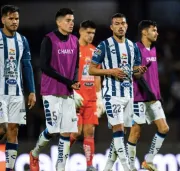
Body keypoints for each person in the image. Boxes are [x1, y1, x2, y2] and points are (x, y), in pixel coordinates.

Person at [103, 20, 169, 171]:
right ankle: (131, 166)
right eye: (154, 30)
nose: (156, 33)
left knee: (164, 128)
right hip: (137, 97)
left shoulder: (153, 49)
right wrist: (149, 91)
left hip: (152, 97)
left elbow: (152, 75)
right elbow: (136, 74)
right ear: (144, 32)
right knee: (135, 132)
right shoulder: (135, 48)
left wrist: (157, 94)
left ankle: (148, 161)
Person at [89, 13, 146, 171]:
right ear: (111, 27)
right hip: (111, 94)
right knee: (118, 129)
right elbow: (91, 69)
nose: (120, 26)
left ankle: (107, 168)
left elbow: (134, 71)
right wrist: (111, 72)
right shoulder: (104, 45)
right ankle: (127, 167)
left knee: (121, 132)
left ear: (127, 26)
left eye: (123, 23)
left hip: (128, 94)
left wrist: (139, 71)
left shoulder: (133, 46)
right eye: (117, 23)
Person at [29, 8, 80, 171]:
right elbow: (44, 66)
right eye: (67, 20)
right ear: (58, 22)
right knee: (52, 129)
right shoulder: (49, 40)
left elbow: (76, 65)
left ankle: (61, 168)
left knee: (66, 132)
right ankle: (35, 153)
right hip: (51, 90)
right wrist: (68, 81)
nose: (71, 23)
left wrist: (75, 81)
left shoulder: (75, 40)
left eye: (72, 20)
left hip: (68, 91)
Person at [0, 5, 36, 171]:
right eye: (11, 18)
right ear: (3, 20)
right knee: (3, 128)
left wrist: (32, 91)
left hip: (16, 93)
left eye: (17, 19)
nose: (14, 22)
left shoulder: (22, 40)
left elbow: (27, 66)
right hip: (0, 93)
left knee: (13, 130)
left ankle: (9, 168)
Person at [70, 20, 104, 171]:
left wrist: (99, 96)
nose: (91, 36)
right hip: (75, 98)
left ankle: (89, 166)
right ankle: (61, 158)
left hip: (91, 98)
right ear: (80, 31)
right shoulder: (71, 49)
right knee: (76, 132)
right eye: (88, 33)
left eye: (93, 33)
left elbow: (97, 76)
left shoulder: (95, 51)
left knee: (89, 132)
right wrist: (70, 91)